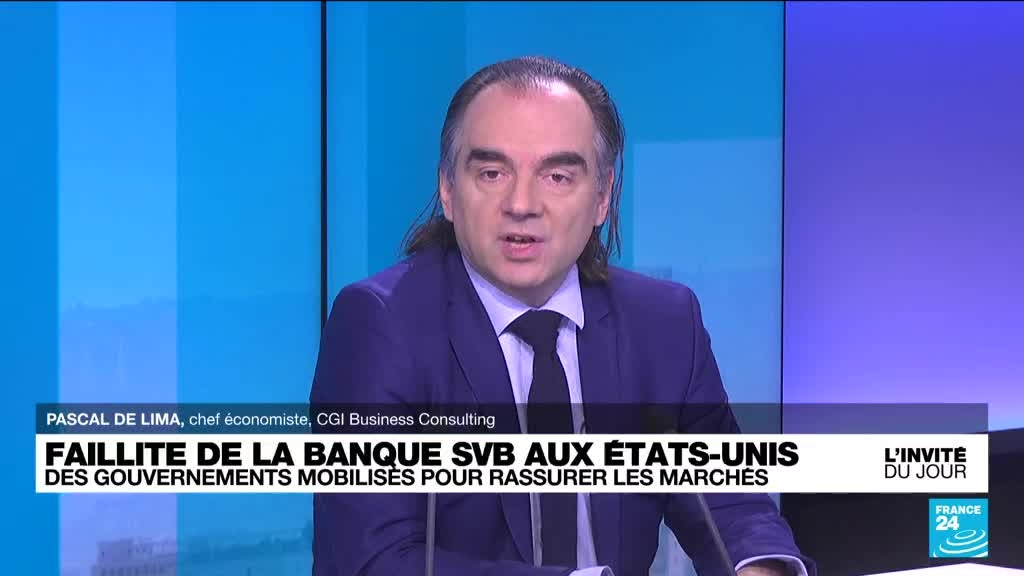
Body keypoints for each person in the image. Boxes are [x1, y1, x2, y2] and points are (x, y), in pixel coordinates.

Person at [310, 56, 814, 576]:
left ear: (602, 197)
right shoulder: (381, 325)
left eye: (557, 176)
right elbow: (373, 560)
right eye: (491, 173)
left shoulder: (663, 323)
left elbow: (730, 504)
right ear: (448, 190)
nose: (522, 203)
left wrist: (761, 568)